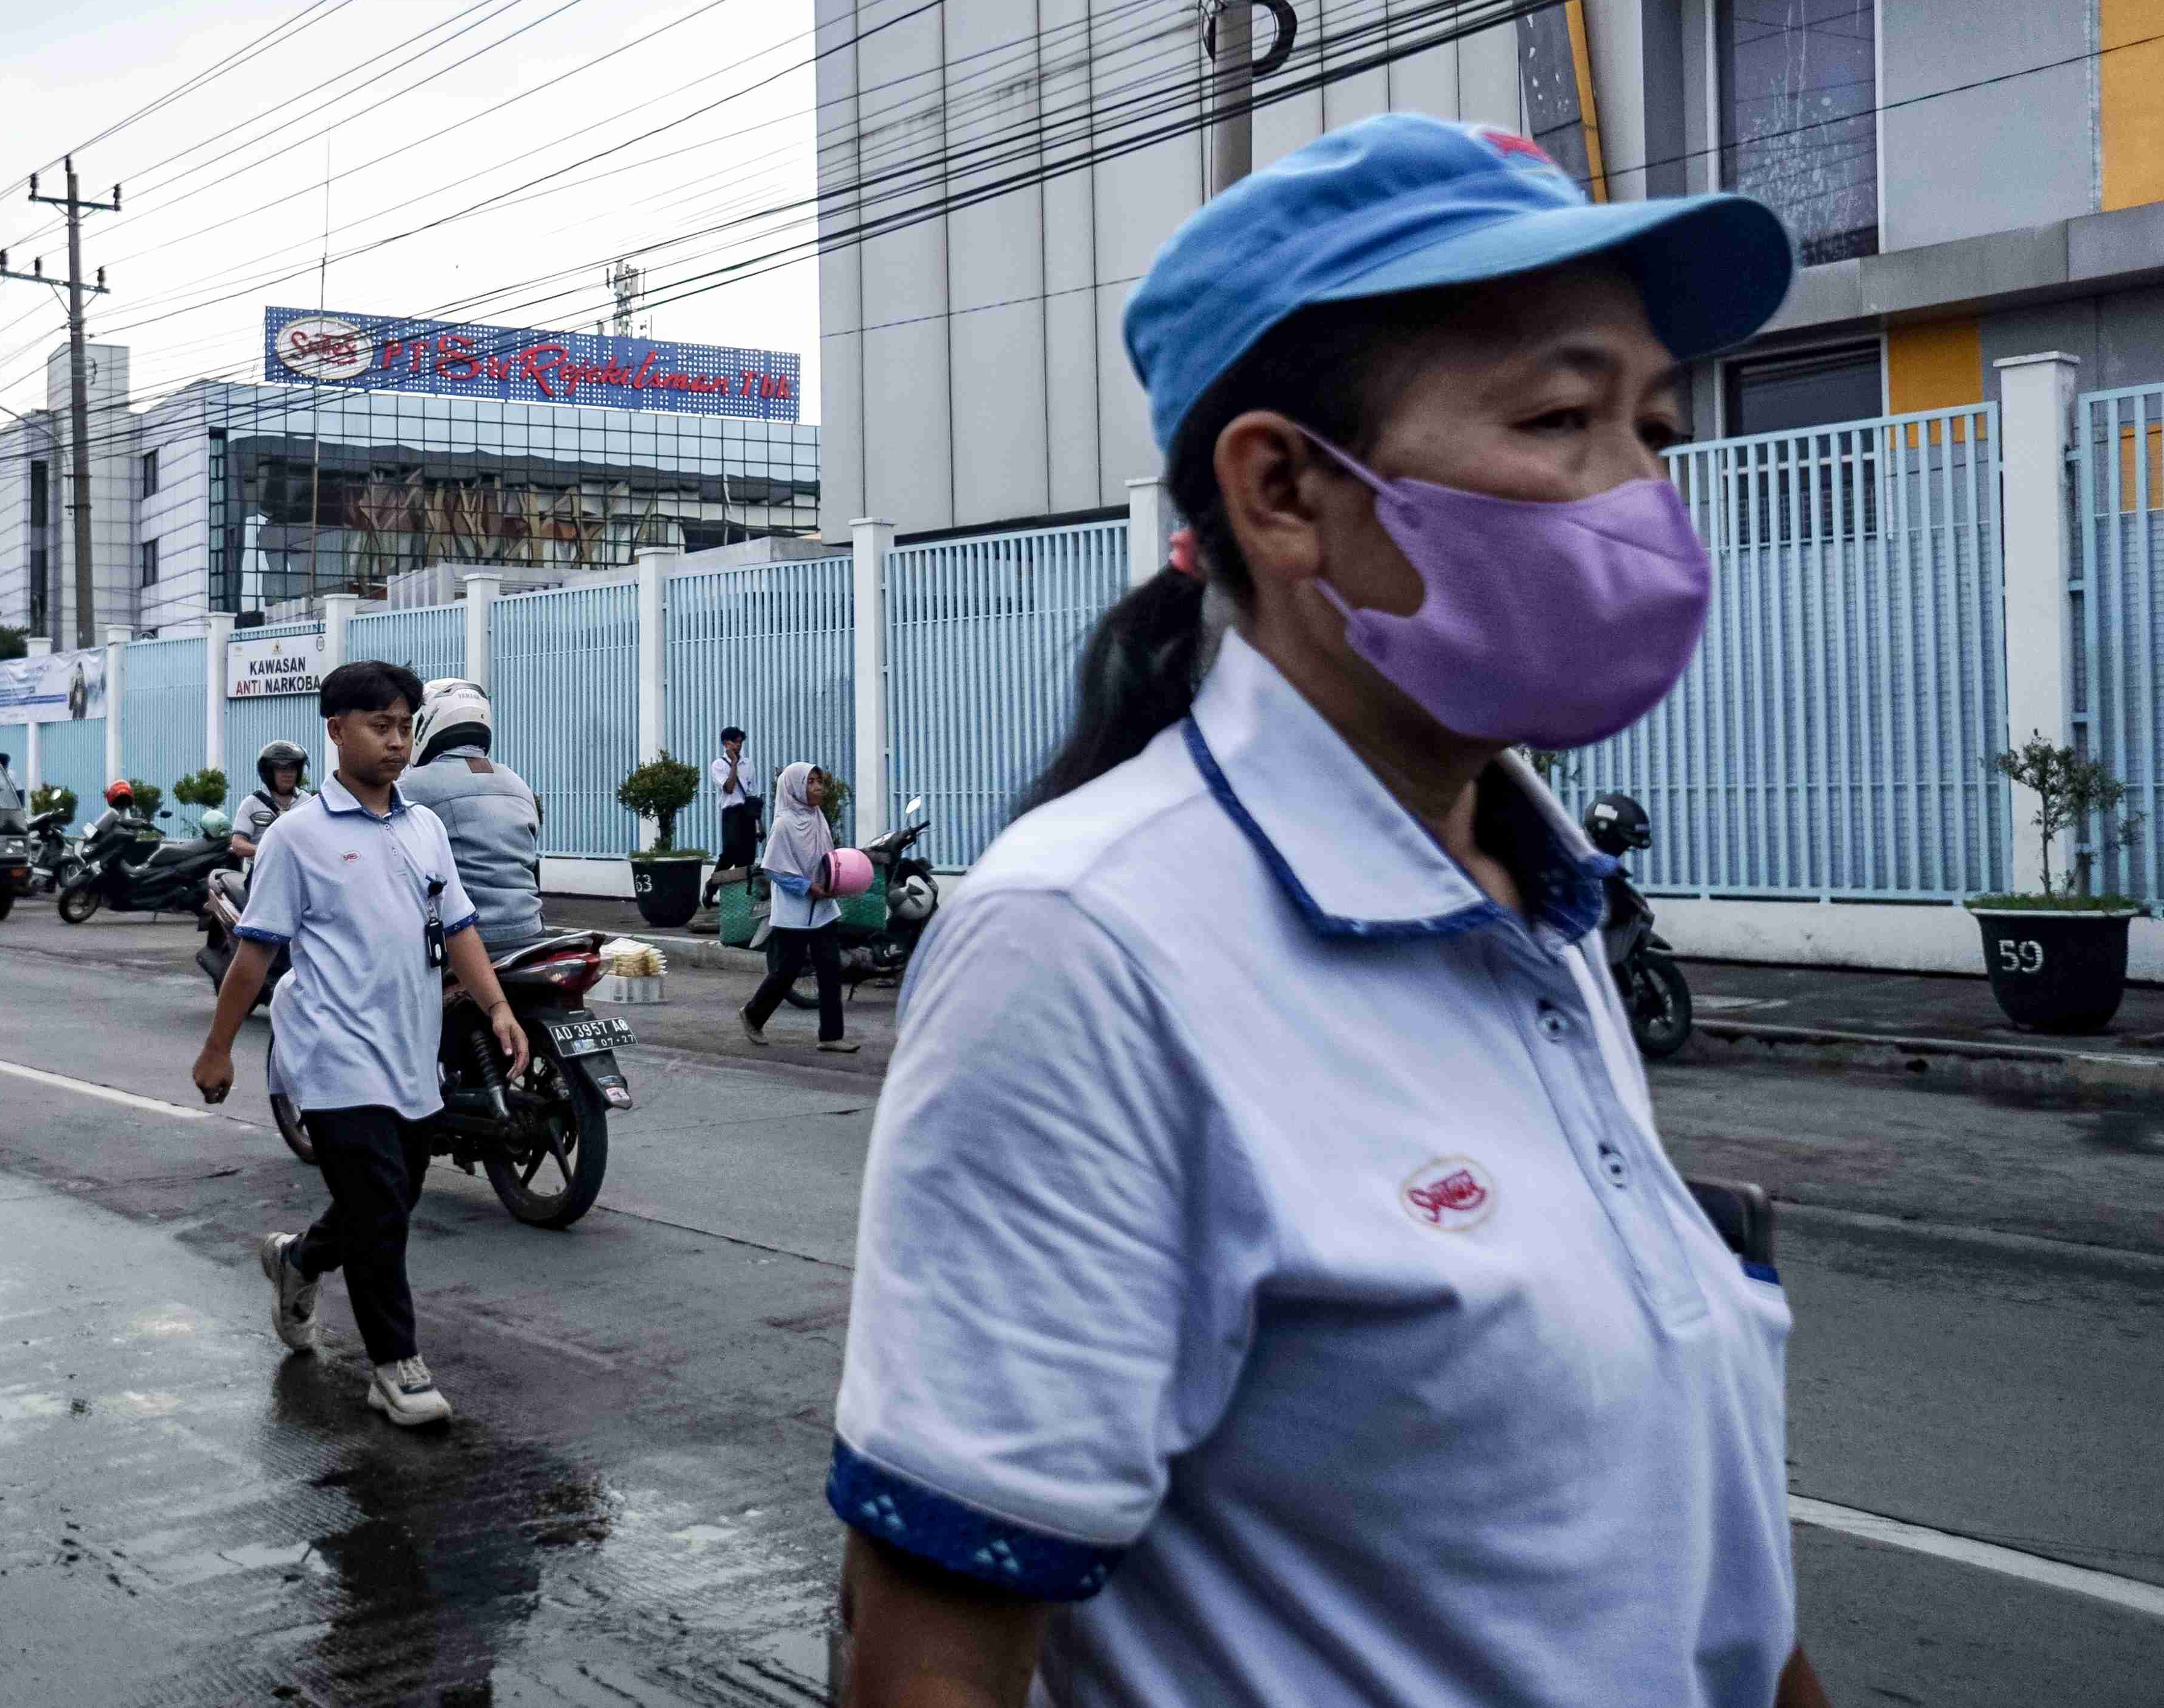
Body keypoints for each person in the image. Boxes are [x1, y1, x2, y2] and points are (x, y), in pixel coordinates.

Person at [828, 115, 1829, 1708]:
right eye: (1564, 416)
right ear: (1285, 488)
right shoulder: (1087, 948)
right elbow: (932, 1660)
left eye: (1655, 423)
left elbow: (1696, 1567)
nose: (1642, 493)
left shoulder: (1544, 905)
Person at [190, 661, 528, 1430]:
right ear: (336, 730)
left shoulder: (425, 828)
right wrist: (219, 1050)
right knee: (381, 1210)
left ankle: (299, 1260)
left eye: (406, 725)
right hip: (332, 1056)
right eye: (380, 725)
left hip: (411, 1052)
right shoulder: (298, 837)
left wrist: (498, 1005)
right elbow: (253, 952)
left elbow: (462, 926)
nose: (397, 741)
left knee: (391, 1195)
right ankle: (395, 1366)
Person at [394, 681, 547, 953]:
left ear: (427, 722)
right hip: (531, 928)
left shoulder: (412, 785)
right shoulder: (516, 782)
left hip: (469, 937)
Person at [740, 762, 853, 1054]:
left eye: (819, 781)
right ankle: (753, 1015)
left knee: (830, 968)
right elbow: (774, 869)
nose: (817, 787)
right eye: (810, 782)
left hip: (824, 906)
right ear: (794, 787)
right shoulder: (784, 824)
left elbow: (827, 857)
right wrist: (806, 887)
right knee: (787, 970)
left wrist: (836, 880)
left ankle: (831, 1035)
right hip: (794, 909)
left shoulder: (817, 817)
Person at [228, 738, 311, 864]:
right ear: (268, 772)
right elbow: (238, 844)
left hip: (301, 870)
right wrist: (268, 851)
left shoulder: (308, 801)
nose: (288, 774)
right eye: (282, 769)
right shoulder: (252, 803)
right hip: (261, 871)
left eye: (293, 768)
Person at [709, 726, 760, 884]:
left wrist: (760, 824)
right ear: (726, 744)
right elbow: (729, 788)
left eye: (740, 742)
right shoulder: (718, 764)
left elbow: (753, 795)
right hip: (731, 813)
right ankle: (712, 886)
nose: (739, 745)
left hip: (748, 813)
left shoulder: (748, 763)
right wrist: (734, 764)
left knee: (748, 856)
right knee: (730, 853)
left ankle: (743, 896)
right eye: (736, 742)